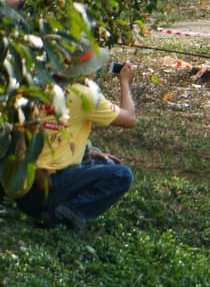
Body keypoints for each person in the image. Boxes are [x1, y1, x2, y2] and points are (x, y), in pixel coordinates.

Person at [16, 47, 137, 230]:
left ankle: (59, 208)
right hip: (45, 190)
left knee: (108, 165)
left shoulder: (39, 85)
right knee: (121, 175)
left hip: (23, 189)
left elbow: (53, 133)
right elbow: (129, 118)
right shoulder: (83, 95)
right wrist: (125, 81)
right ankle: (64, 213)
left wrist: (89, 153)